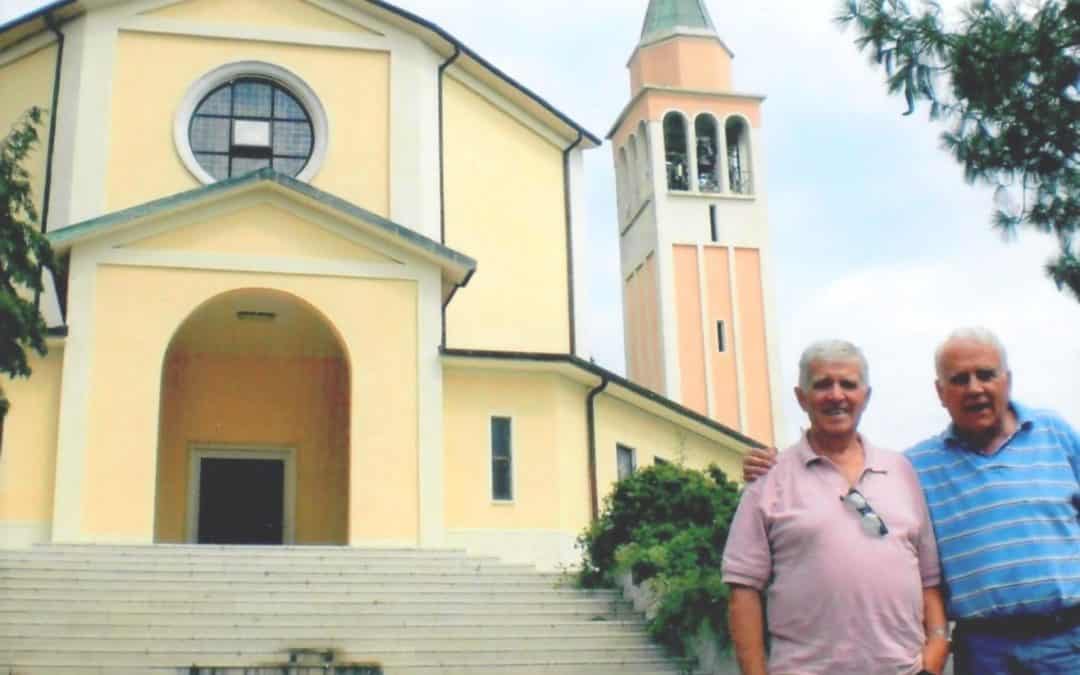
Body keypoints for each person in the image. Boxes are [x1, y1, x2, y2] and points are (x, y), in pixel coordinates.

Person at [742, 328, 1080, 674]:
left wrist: (933, 653)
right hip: (984, 650)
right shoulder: (914, 467)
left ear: (1007, 380)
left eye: (986, 375)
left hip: (1067, 640)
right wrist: (770, 465)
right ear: (940, 392)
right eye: (959, 379)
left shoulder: (1055, 433)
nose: (975, 388)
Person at [722, 340, 948, 675]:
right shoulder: (768, 480)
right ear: (802, 398)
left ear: (866, 396)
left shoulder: (902, 471)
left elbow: (928, 578)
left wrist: (937, 649)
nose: (836, 395)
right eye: (823, 384)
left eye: (848, 384)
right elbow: (743, 590)